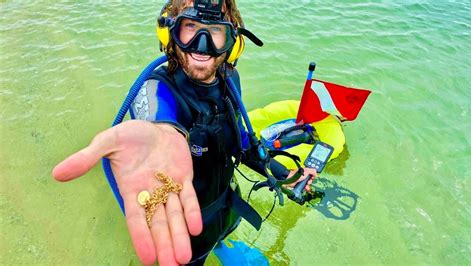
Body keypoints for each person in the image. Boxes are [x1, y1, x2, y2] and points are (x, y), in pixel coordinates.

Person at [52, 0, 317, 265]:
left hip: (225, 205)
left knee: (224, 232)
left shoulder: (230, 78)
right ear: (169, 32)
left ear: (233, 40)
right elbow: (157, 118)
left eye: (215, 30)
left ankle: (222, 242)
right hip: (185, 225)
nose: (202, 44)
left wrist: (284, 173)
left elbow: (239, 139)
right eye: (190, 26)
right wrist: (163, 131)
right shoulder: (155, 88)